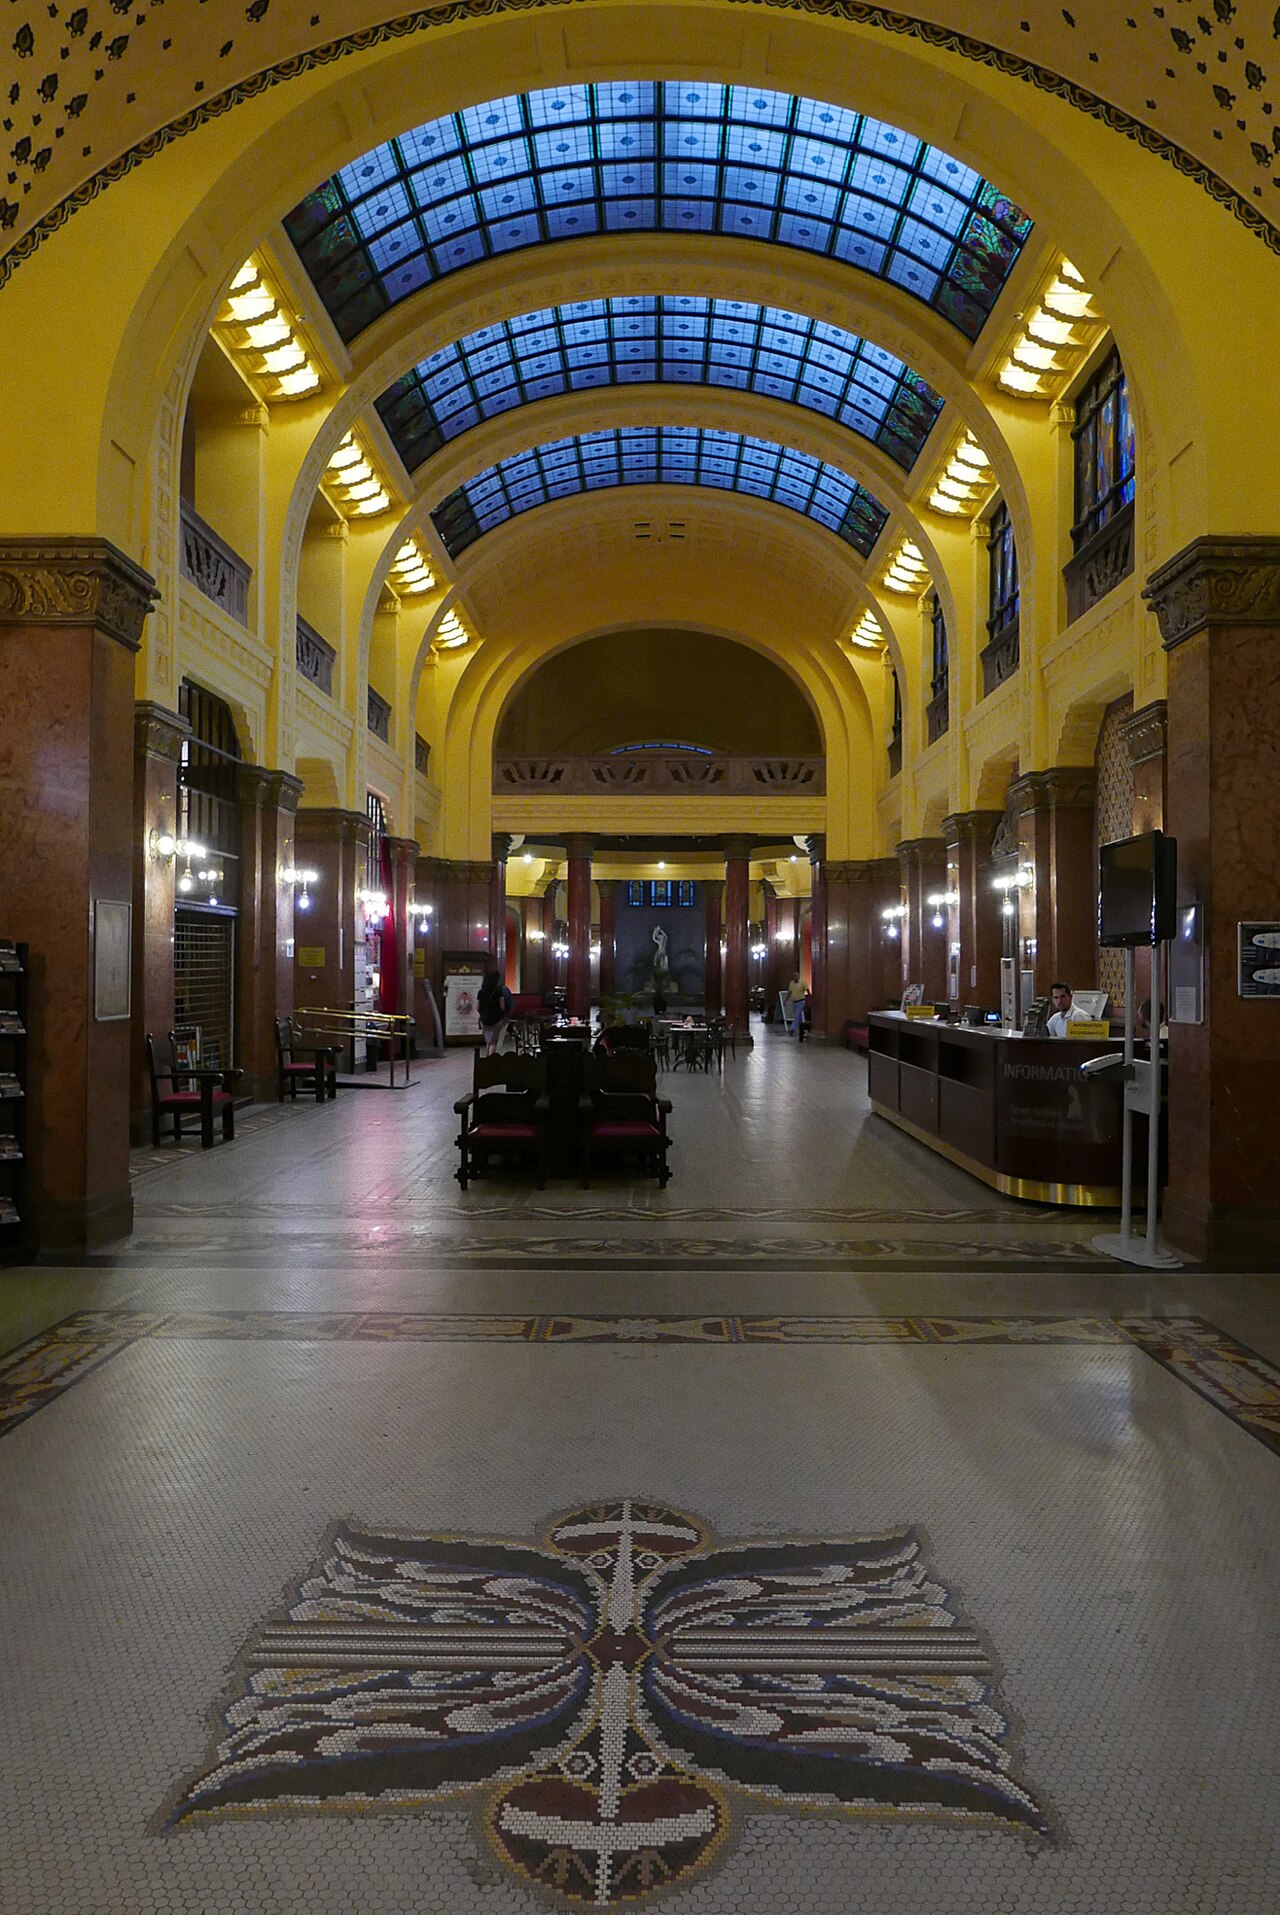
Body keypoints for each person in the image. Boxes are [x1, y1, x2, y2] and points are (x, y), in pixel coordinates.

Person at [477, 967, 513, 1057]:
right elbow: (502, 1007)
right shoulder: (500, 991)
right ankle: (493, 1059)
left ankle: (487, 1057)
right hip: (497, 1020)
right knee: (495, 1042)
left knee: (488, 1042)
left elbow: (477, 1007)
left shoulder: (481, 992)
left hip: (484, 1020)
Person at [786, 972, 807, 1036]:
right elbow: (789, 992)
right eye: (794, 976)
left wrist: (808, 1000)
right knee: (799, 1017)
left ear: (799, 976)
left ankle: (792, 1029)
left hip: (801, 1001)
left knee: (796, 1015)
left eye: (796, 976)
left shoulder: (802, 983)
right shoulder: (791, 983)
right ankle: (802, 1029)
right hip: (794, 1002)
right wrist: (786, 1000)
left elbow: (807, 990)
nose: (795, 977)